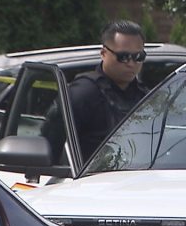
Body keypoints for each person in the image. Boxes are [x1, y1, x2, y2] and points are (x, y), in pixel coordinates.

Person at [42, 20, 149, 163]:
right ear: (104, 53)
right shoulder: (82, 94)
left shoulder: (146, 98)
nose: (131, 64)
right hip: (88, 181)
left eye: (138, 57)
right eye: (123, 57)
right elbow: (49, 147)